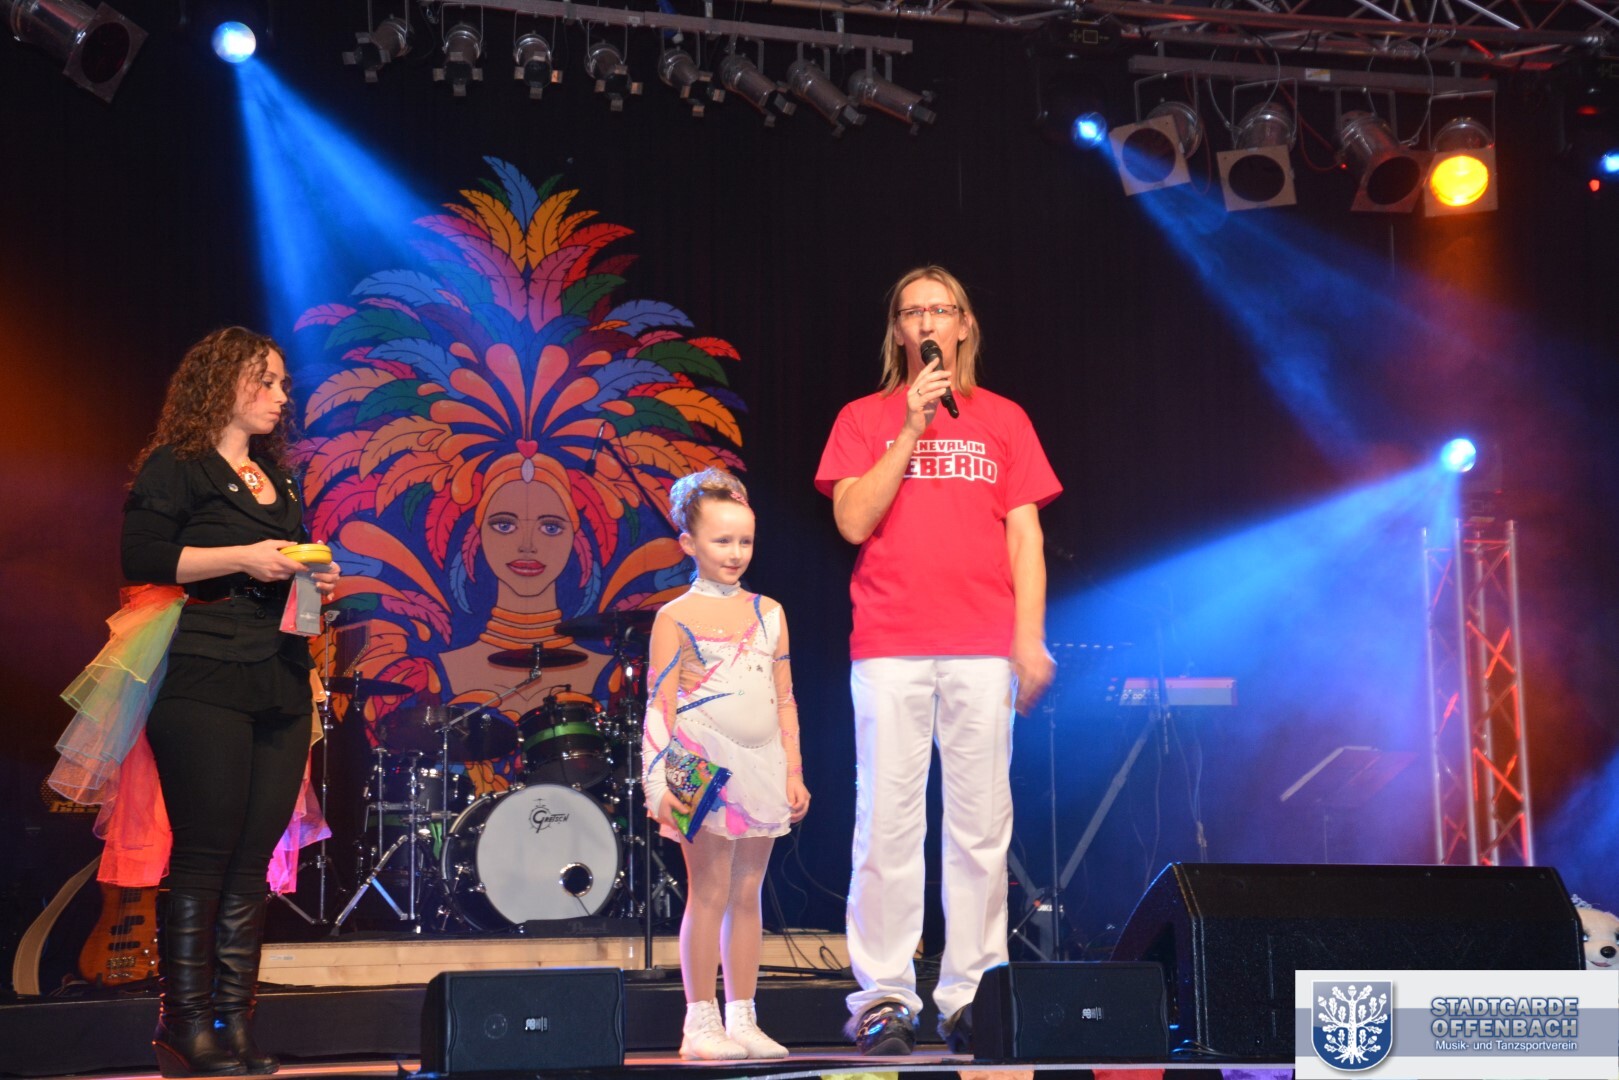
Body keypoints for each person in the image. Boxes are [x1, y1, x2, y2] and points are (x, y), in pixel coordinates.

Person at [814, 266, 1061, 1056]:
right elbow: (852, 521)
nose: (927, 321)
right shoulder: (863, 417)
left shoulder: (1004, 419)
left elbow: (1024, 537)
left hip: (982, 646)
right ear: (897, 331)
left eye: (940, 309)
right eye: (912, 310)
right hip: (890, 644)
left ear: (963, 327)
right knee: (885, 826)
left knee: (980, 831)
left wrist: (1029, 637)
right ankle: (883, 998)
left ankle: (971, 997)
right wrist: (911, 430)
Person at [121, 327, 342, 1077]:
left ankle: (233, 1022)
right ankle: (183, 1024)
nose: (281, 396)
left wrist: (318, 582)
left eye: (282, 383)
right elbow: (143, 557)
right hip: (203, 672)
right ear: (221, 383)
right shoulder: (177, 466)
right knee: (205, 851)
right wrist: (244, 558)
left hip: (278, 674)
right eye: (266, 381)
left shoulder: (279, 480)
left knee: (253, 858)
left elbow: (291, 581)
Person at [642, 469, 811, 1060]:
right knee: (709, 889)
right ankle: (699, 1022)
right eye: (722, 541)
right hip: (700, 767)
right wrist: (656, 784)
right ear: (688, 542)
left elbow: (784, 697)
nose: (735, 553)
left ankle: (743, 1016)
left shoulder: (770, 612)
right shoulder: (675, 616)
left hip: (761, 765)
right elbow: (660, 704)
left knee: (747, 890)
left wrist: (793, 771)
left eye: (745, 541)